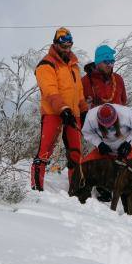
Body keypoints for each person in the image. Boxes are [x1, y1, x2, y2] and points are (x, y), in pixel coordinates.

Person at [81, 44, 132, 200]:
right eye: (106, 61)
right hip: (101, 132)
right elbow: (80, 106)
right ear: (98, 62)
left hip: (121, 130)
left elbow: (124, 101)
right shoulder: (85, 81)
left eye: (112, 61)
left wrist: (128, 142)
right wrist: (99, 143)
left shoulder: (118, 79)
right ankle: (103, 188)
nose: (110, 64)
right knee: (95, 163)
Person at [31, 27, 88, 191]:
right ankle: (36, 188)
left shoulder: (74, 67)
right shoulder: (46, 64)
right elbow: (50, 91)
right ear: (55, 44)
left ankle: (76, 189)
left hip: (73, 114)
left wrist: (83, 110)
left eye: (69, 45)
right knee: (45, 151)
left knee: (76, 153)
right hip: (53, 113)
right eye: (63, 45)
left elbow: (79, 93)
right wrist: (63, 109)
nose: (66, 48)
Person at [80, 103, 132, 202]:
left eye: (111, 124)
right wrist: (99, 144)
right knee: (85, 166)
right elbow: (86, 132)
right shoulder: (91, 117)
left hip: (125, 147)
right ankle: (103, 190)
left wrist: (129, 143)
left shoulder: (126, 114)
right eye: (105, 126)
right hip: (105, 148)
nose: (109, 127)